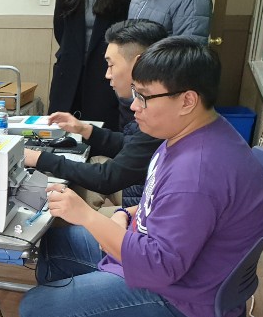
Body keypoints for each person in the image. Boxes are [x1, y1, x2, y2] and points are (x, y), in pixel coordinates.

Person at [11, 38, 263, 317]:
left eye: (145, 97)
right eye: (136, 93)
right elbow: (170, 208)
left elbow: (158, 266)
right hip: (177, 270)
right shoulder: (194, 134)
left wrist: (88, 215)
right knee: (53, 247)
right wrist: (128, 213)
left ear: (187, 100)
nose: (135, 105)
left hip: (182, 302)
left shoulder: (198, 172)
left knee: (36, 309)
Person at [24, 20, 168, 208]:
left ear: (138, 63)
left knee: (54, 221)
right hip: (139, 193)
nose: (108, 74)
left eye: (111, 65)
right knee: (90, 167)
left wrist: (39, 158)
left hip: (143, 205)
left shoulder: (158, 111)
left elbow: (108, 178)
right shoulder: (156, 99)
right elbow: (133, 144)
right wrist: (84, 129)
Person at [48, 0, 136, 132]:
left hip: (104, 73)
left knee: (99, 131)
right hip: (68, 72)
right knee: (62, 132)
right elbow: (60, 31)